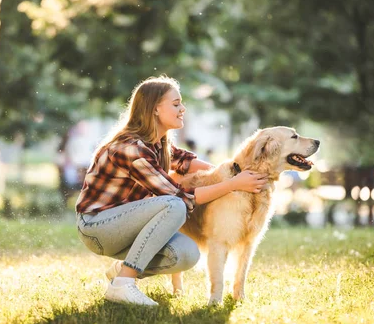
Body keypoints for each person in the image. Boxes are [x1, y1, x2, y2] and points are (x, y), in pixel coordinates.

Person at [75, 76, 268, 306]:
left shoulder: (158, 144)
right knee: (174, 205)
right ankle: (123, 285)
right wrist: (233, 184)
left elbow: (187, 161)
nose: (182, 109)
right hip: (98, 227)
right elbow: (180, 197)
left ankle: (122, 270)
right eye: (176, 104)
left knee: (187, 254)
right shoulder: (131, 148)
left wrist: (230, 173)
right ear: (156, 109)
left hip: (126, 225)